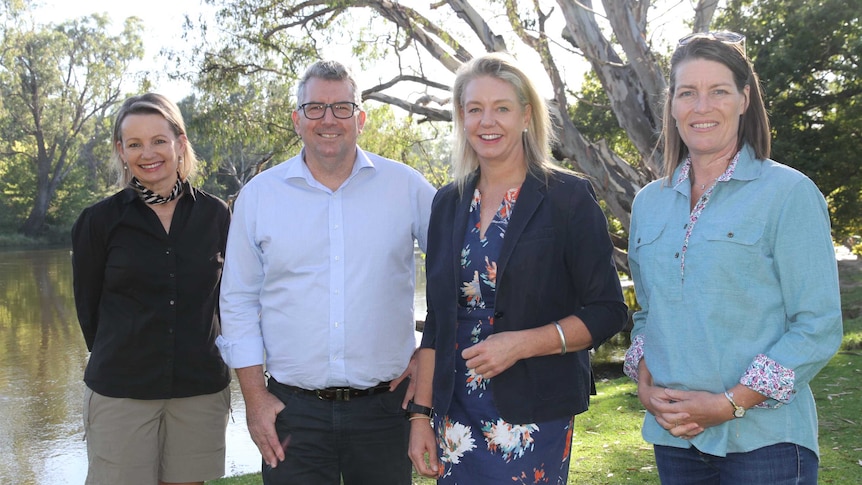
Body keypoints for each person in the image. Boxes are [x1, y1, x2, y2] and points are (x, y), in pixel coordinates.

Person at [623, 31, 843, 484]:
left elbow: (817, 325)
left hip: (767, 446)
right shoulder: (648, 203)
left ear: (744, 99)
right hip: (676, 441)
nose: (702, 107)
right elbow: (649, 313)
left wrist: (729, 403)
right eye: (688, 93)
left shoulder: (789, 194)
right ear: (673, 104)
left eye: (718, 91)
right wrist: (645, 380)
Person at [408, 52, 628, 483]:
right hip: (455, 409)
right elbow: (438, 319)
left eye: (502, 108)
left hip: (534, 412)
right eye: (475, 109)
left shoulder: (568, 198)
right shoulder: (447, 203)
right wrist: (420, 416)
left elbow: (607, 311)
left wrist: (522, 344)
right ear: (462, 117)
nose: (487, 121)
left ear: (526, 115)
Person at [217, 59, 436, 485]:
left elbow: (453, 280)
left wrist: (426, 359)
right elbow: (238, 300)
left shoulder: (407, 188)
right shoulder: (259, 197)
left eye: (341, 108)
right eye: (315, 108)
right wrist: (254, 397)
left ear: (361, 118)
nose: (328, 120)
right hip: (292, 411)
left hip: (386, 408)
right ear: (297, 119)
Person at [71, 93, 232, 485]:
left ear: (180, 141)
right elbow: (88, 311)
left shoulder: (216, 215)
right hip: (122, 390)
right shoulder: (99, 221)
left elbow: (228, 301)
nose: (148, 153)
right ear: (121, 151)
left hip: (198, 388)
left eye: (159, 140)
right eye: (135, 143)